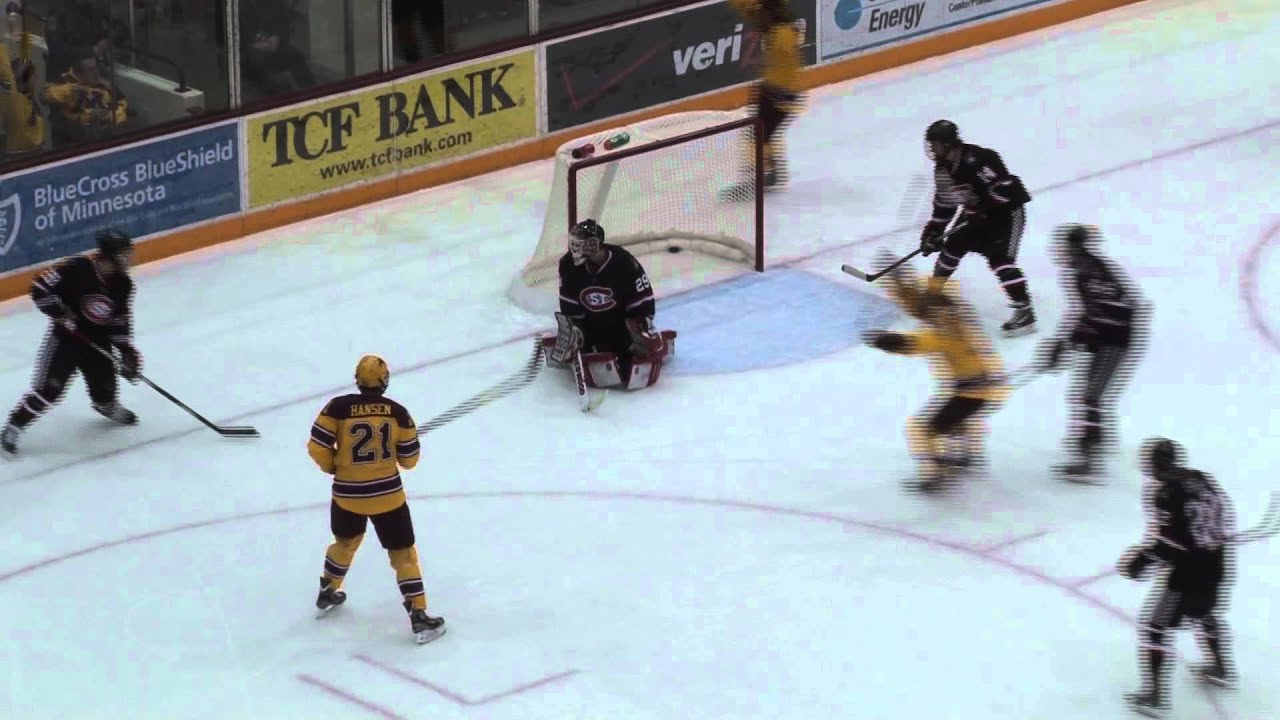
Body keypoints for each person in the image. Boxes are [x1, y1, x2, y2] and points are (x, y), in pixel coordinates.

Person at [307, 355, 445, 644]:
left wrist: (334, 467)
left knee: (345, 543)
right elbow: (409, 460)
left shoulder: (337, 407)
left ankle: (328, 590)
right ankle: (419, 616)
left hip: (347, 495)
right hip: (387, 497)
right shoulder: (398, 413)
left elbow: (317, 446)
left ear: (358, 379)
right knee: (403, 555)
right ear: (384, 381)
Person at [862, 257, 1008, 491]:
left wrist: (885, 340)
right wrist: (903, 284)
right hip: (988, 386)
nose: (931, 315)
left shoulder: (942, 334)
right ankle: (966, 455)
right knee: (959, 421)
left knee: (923, 429)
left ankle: (937, 474)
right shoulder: (958, 318)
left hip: (971, 393)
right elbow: (924, 304)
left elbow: (915, 343)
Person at [1118, 438, 1236, 717]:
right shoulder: (1201, 478)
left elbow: (1171, 544)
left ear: (1152, 465)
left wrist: (1141, 561)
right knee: (1202, 611)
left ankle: (1155, 698)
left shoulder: (1166, 493)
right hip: (1217, 562)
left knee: (1155, 627)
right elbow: (1224, 516)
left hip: (1186, 575)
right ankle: (1220, 668)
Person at [1, 230, 141, 459]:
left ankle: (106, 406)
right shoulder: (78, 268)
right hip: (66, 341)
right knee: (49, 390)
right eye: (125, 254)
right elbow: (39, 288)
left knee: (104, 392)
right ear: (112, 255)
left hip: (98, 343)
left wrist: (126, 351)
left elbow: (119, 320)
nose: (129, 259)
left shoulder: (123, 285)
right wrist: (60, 315)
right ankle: (14, 426)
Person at [1036, 224, 1147, 480]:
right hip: (1107, 337)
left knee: (1090, 397)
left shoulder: (1089, 273)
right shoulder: (1083, 270)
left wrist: (1069, 341)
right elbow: (1086, 312)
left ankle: (1090, 459)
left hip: (1116, 340)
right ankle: (1097, 439)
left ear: (1077, 248)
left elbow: (1113, 311)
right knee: (1086, 394)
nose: (1060, 251)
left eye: (1065, 246)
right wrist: (1065, 342)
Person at [918, 119, 1036, 336]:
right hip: (974, 215)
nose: (931, 149)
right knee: (952, 247)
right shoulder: (942, 170)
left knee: (1000, 260)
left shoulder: (979, 159)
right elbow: (945, 205)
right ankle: (933, 294)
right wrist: (933, 232)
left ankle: (1025, 311)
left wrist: (984, 208)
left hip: (1006, 214)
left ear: (947, 143)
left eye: (935, 144)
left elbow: (1006, 189)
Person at [548, 219, 669, 390]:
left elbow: (643, 303)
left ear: (593, 244)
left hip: (621, 325)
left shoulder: (624, 262)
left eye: (579, 243)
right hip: (592, 325)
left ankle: (648, 341)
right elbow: (570, 307)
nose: (573, 248)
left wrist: (640, 327)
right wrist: (576, 330)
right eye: (573, 242)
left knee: (631, 361)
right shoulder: (568, 265)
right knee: (586, 352)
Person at [720, 0, 805, 200]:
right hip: (775, 90)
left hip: (780, 93)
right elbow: (751, 11)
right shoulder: (777, 28)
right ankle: (770, 173)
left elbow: (786, 56)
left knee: (759, 136)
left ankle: (758, 178)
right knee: (763, 134)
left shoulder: (782, 33)